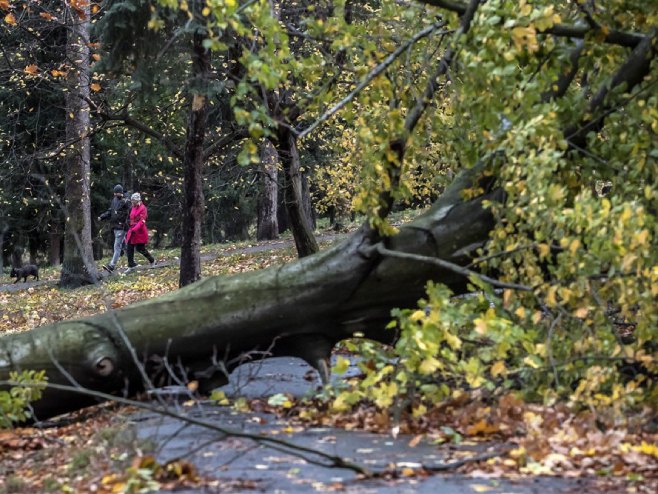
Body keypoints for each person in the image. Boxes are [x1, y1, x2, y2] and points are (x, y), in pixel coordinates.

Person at [98, 184, 130, 273]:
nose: (115, 195)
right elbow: (110, 210)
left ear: (120, 193)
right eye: (114, 193)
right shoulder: (114, 200)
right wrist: (102, 216)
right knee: (124, 246)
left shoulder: (126, 201)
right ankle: (131, 262)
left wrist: (126, 222)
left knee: (117, 246)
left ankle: (111, 265)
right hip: (115, 226)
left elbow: (129, 212)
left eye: (117, 193)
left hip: (122, 227)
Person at [125, 192, 156, 271]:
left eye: (133, 200)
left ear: (137, 200)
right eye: (131, 200)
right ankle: (131, 265)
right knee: (129, 247)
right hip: (132, 231)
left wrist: (135, 229)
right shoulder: (133, 207)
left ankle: (152, 261)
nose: (132, 202)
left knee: (140, 248)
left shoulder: (143, 208)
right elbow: (131, 218)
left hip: (140, 232)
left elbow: (142, 221)